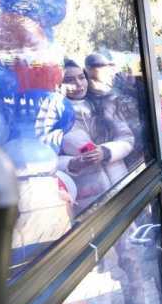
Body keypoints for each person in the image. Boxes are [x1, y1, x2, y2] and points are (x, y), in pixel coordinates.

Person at [56, 57, 135, 213]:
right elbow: (47, 160)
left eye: (81, 77)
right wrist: (71, 164)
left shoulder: (105, 104)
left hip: (121, 186)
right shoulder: (54, 116)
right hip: (88, 200)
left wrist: (106, 152)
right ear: (58, 85)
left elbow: (127, 138)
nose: (78, 84)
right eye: (69, 80)